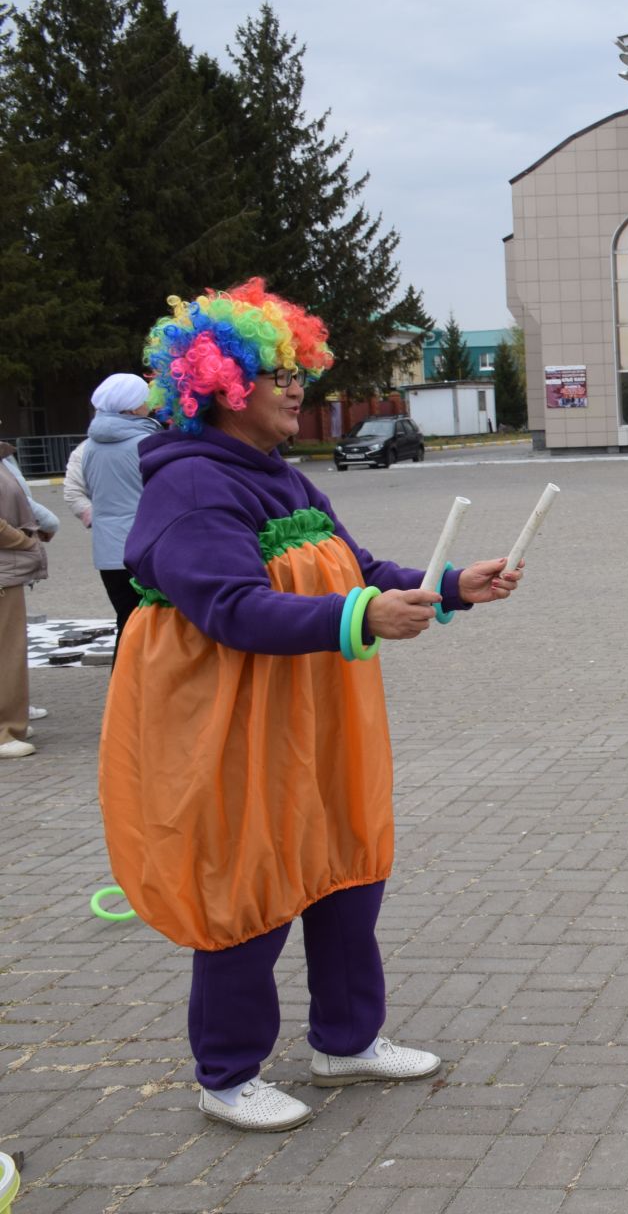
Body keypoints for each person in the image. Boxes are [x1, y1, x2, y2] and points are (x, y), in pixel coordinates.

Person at [97, 280, 524, 1133]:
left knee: (343, 866)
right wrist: (360, 617)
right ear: (222, 384)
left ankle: (346, 1039)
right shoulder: (189, 487)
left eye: (299, 369)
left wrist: (446, 586)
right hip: (231, 725)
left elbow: (354, 567)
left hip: (317, 711)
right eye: (276, 372)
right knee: (245, 885)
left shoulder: (282, 478)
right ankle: (226, 1074)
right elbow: (232, 607)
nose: (299, 387)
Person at [84, 372, 160, 646]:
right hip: (143, 549)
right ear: (132, 407)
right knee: (152, 627)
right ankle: (144, 689)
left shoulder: (90, 446)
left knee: (126, 624)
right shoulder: (145, 444)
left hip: (107, 551)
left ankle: (122, 687)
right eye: (145, 400)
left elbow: (92, 491)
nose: (150, 405)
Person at [0, 447, 49, 759]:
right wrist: (23, 540)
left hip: (7, 568)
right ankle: (5, 729)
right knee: (7, 652)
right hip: (4, 567)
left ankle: (11, 722)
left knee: (10, 650)